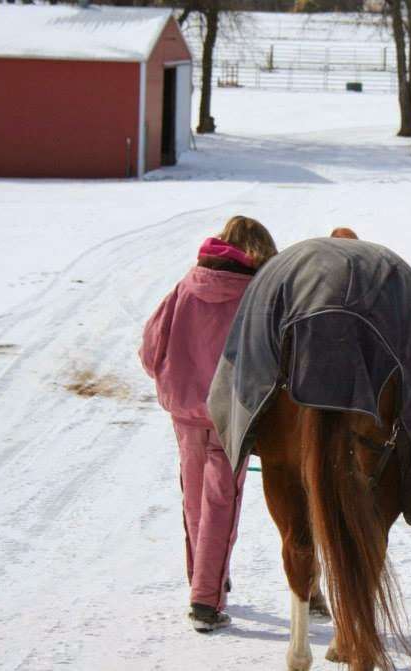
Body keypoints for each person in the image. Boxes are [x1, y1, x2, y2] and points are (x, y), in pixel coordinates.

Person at [139, 216, 277, 633]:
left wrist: (174, 378)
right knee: (221, 502)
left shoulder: (186, 285)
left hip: (184, 412)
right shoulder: (255, 296)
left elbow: (149, 349)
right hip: (228, 413)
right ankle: (205, 599)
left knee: (195, 499)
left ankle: (205, 577)